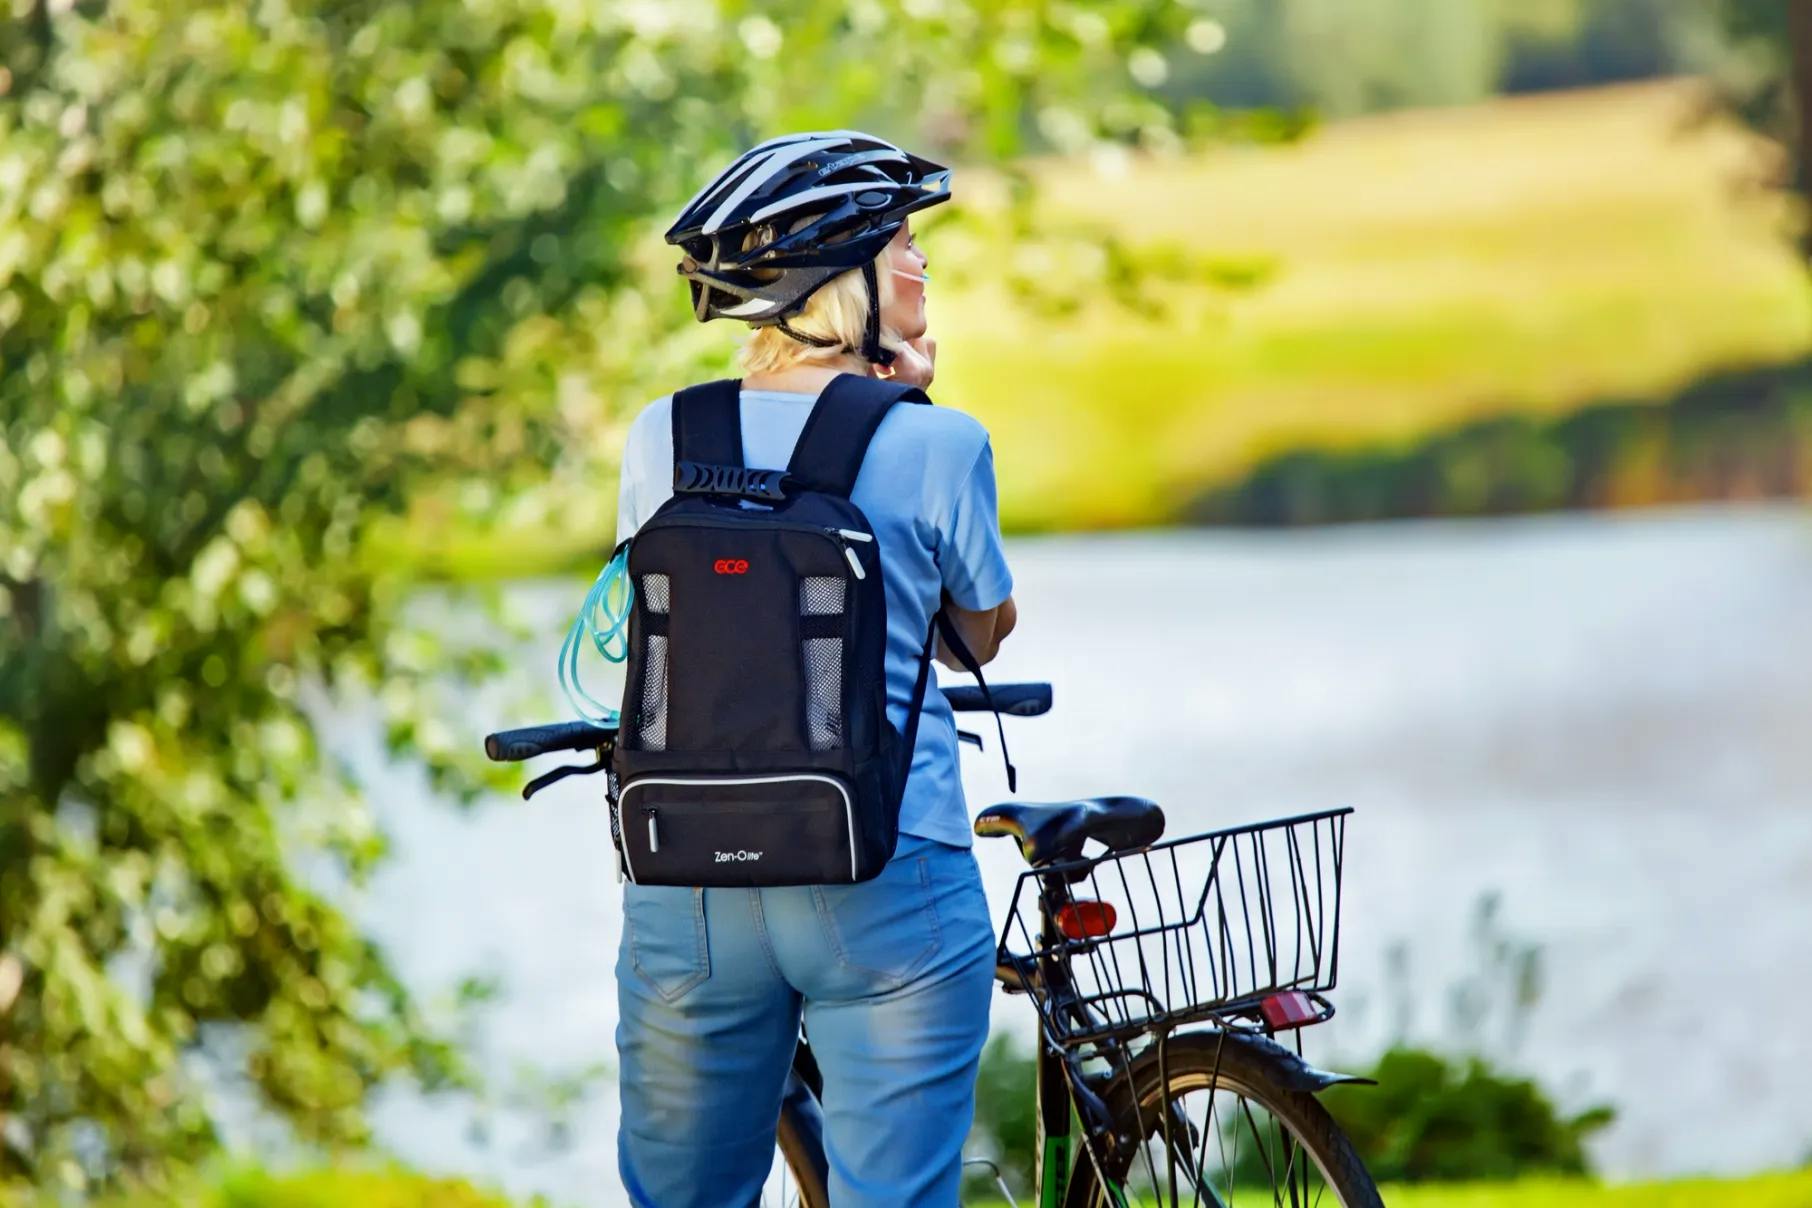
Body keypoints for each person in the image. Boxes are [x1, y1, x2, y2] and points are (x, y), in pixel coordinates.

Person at [610, 131, 1018, 1206]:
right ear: (845, 285)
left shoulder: (664, 433)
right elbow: (979, 632)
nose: (922, 267)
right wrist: (907, 400)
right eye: (904, 248)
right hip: (887, 865)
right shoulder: (939, 444)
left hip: (688, 872)